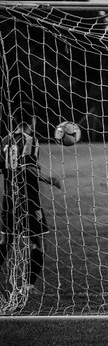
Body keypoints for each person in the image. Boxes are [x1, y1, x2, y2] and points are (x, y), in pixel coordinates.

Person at [0, 118, 61, 295]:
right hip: (28, 198)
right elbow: (27, 166)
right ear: (31, 120)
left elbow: (4, 167)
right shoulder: (30, 139)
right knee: (38, 243)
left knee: (5, 241)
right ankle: (28, 285)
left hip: (9, 197)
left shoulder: (6, 140)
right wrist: (50, 179)